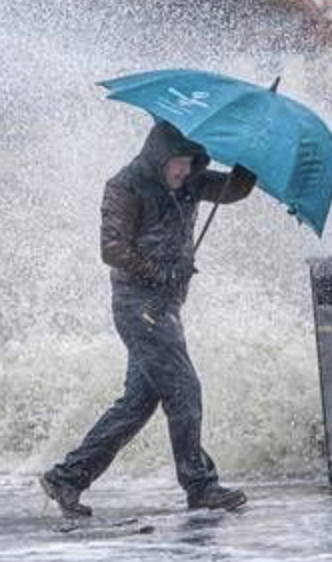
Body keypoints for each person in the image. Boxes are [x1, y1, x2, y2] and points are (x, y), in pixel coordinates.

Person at [40, 121, 257, 517]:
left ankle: (67, 478)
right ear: (159, 157)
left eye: (191, 163)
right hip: (138, 306)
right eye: (178, 163)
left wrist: (250, 156)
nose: (184, 171)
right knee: (184, 389)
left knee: (137, 403)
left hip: (166, 307)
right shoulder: (124, 187)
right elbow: (111, 250)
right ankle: (200, 485)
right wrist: (159, 272)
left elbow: (234, 190)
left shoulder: (190, 181)